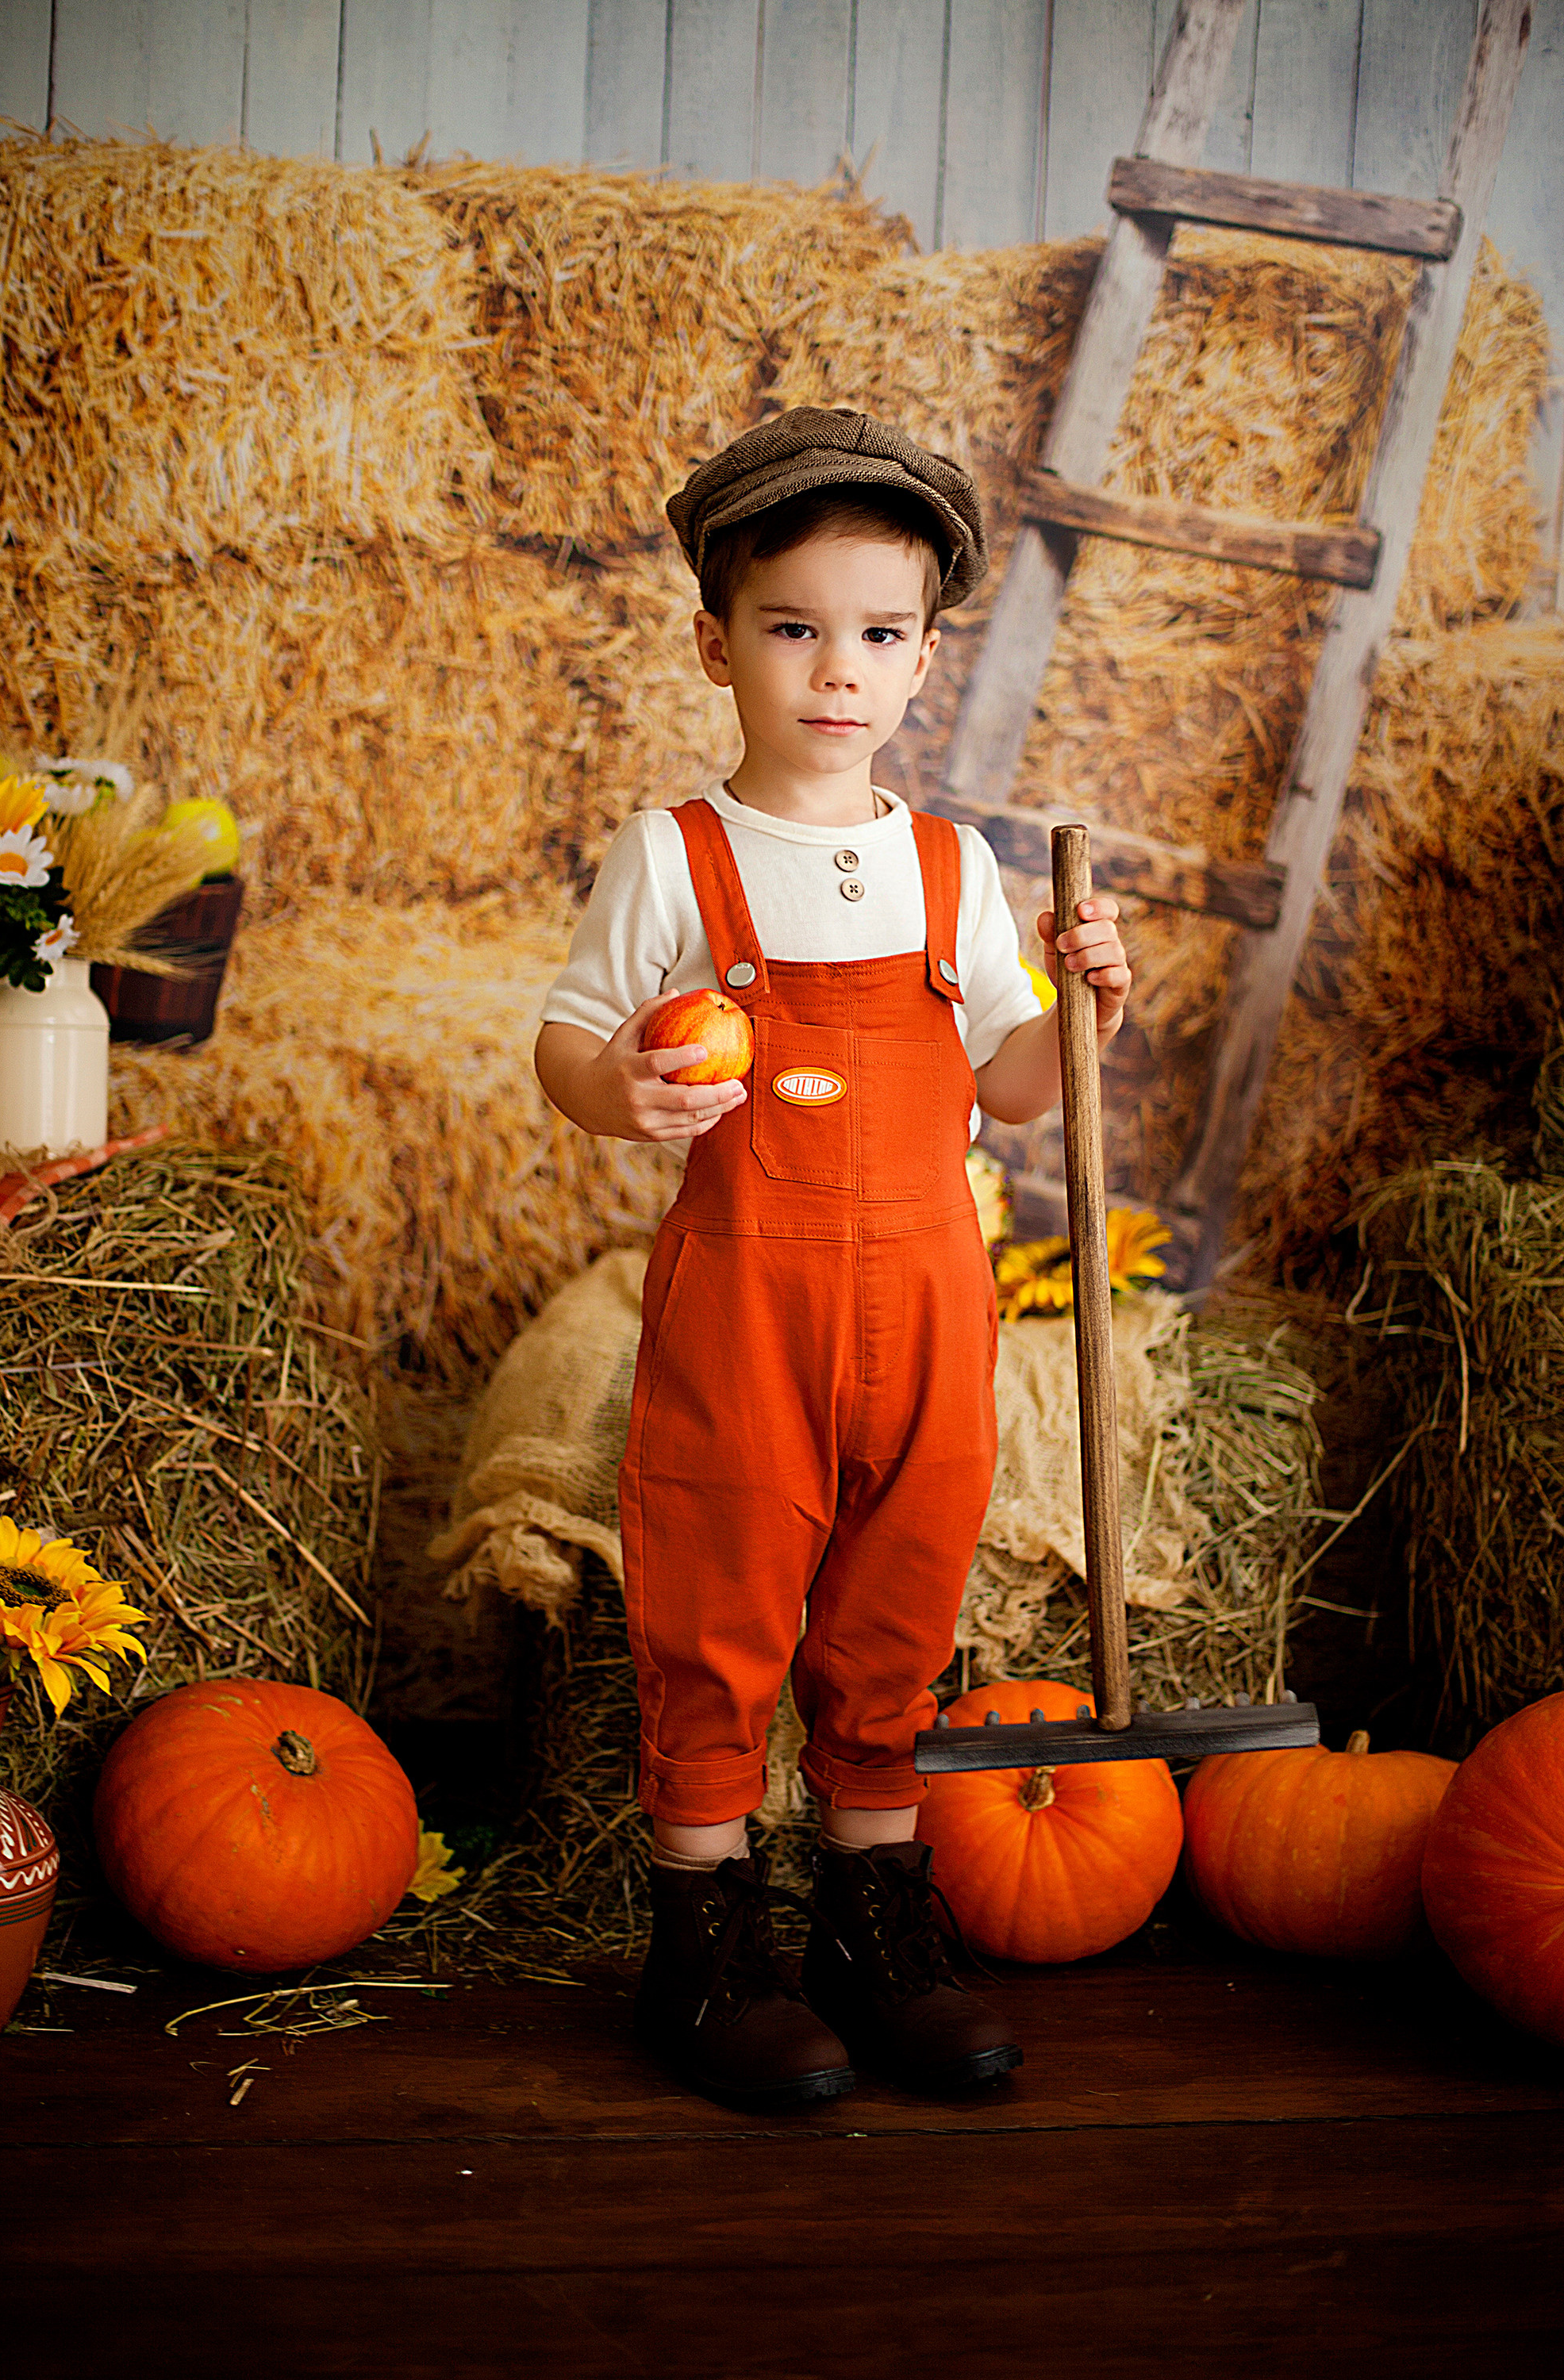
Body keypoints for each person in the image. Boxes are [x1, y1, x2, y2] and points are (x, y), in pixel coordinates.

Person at [535, 407, 1132, 2109]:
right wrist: (619, 1087)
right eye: (793, 628)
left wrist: (1083, 1009)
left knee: (895, 1607)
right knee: (720, 1606)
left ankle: (874, 1926)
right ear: (713, 642)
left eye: (877, 634)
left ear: (925, 658)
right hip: (746, 1301)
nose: (835, 670)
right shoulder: (676, 852)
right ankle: (709, 1947)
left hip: (929, 1302)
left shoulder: (952, 867)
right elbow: (570, 1038)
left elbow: (1008, 1083)